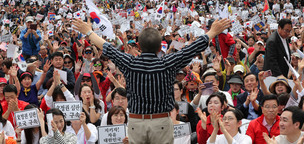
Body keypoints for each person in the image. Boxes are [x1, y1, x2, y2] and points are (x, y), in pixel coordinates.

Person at [73, 17, 232, 143]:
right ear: (159, 48)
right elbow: (191, 49)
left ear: (139, 47)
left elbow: (107, 47)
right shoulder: (167, 63)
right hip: (161, 122)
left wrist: (88, 31)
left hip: (136, 123)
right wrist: (212, 32)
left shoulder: (130, 63)